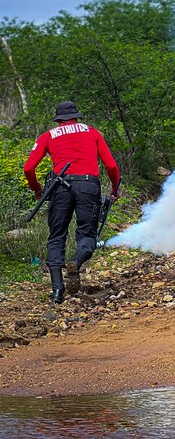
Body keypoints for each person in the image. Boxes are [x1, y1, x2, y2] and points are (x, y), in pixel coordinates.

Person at [23, 101, 120, 304]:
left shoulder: (48, 136)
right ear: (77, 117)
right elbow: (111, 165)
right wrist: (114, 188)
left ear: (58, 119)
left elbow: (28, 168)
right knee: (87, 233)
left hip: (59, 187)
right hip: (88, 186)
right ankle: (75, 262)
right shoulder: (92, 132)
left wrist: (37, 189)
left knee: (56, 236)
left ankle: (58, 290)